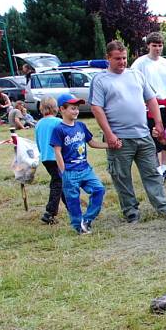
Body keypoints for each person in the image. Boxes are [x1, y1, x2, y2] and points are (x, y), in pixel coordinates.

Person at [90, 40, 166, 223]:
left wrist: (159, 123)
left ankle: (163, 207)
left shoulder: (136, 75)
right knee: (122, 177)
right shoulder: (100, 80)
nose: (122, 62)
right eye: (117, 59)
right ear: (108, 58)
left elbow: (151, 99)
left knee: (152, 172)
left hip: (143, 135)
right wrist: (109, 134)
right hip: (119, 138)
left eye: (124, 58)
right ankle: (131, 211)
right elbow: (97, 108)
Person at [50, 94, 107, 235]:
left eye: (77, 109)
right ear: (62, 109)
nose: (76, 111)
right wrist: (63, 172)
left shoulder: (81, 126)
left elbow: (92, 143)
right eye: (72, 108)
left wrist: (109, 145)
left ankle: (87, 219)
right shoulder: (59, 130)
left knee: (99, 189)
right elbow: (57, 152)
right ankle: (78, 226)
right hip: (70, 171)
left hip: (85, 169)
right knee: (73, 200)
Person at [131, 31, 166, 167]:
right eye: (154, 45)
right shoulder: (140, 63)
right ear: (148, 46)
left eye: (160, 45)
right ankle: (156, 167)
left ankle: (164, 167)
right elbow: (133, 83)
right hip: (150, 106)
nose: (157, 48)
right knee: (154, 136)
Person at [34, 96, 67, 225]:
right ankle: (50, 212)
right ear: (56, 108)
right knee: (57, 183)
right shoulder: (58, 122)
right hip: (57, 157)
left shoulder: (39, 124)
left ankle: (71, 207)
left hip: (46, 158)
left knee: (61, 182)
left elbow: (38, 142)